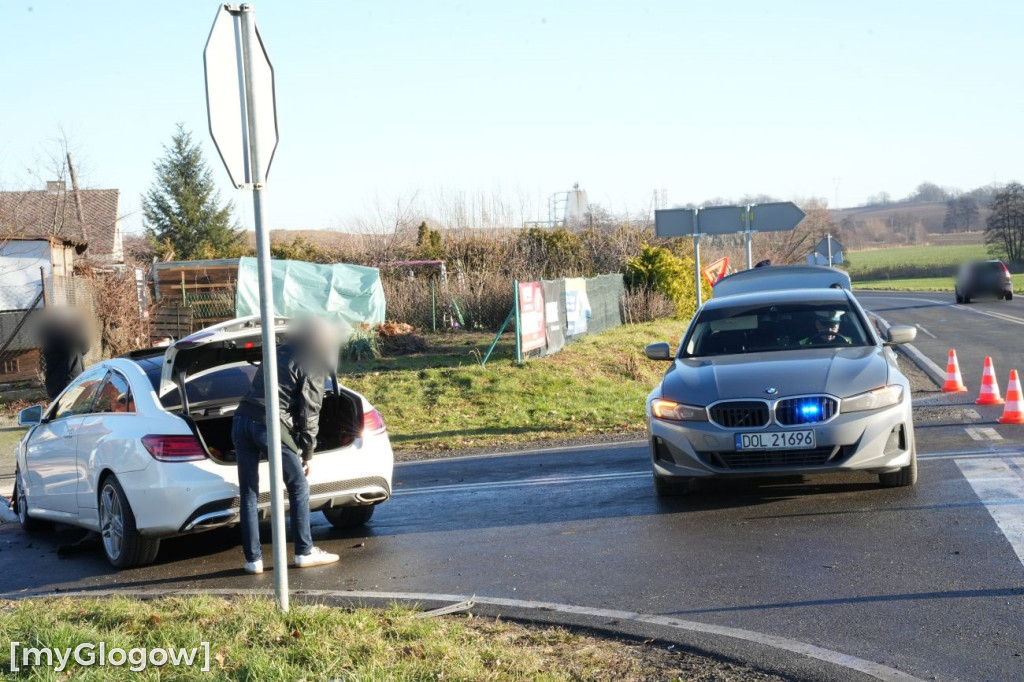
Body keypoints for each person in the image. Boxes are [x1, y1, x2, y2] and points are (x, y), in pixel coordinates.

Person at [231, 317, 341, 574]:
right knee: (298, 484)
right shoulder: (313, 360)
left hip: (240, 420)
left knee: (249, 492)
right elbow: (310, 410)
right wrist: (308, 452)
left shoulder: (276, 351)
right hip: (268, 425)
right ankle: (304, 551)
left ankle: (253, 560)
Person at [39, 306, 90, 401]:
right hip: (67, 385)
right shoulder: (61, 337)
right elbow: (84, 347)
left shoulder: (52, 336)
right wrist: (78, 326)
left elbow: (84, 348)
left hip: (60, 384)